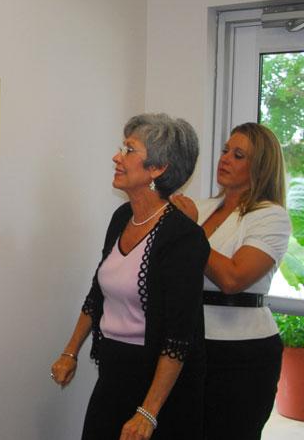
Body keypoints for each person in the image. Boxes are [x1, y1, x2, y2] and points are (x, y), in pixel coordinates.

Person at [51, 113, 210, 440]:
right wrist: (70, 351)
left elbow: (179, 337)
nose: (117, 157)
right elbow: (98, 294)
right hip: (113, 373)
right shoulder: (122, 217)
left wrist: (148, 412)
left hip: (159, 388)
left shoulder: (184, 238)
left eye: (129, 150)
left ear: (158, 168)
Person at [171, 122, 291, 440]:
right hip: (189, 343)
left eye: (238, 155)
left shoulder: (270, 216)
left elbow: (233, 279)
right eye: (225, 150)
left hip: (243, 352)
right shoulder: (203, 208)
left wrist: (190, 231)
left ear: (260, 167)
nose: (225, 159)